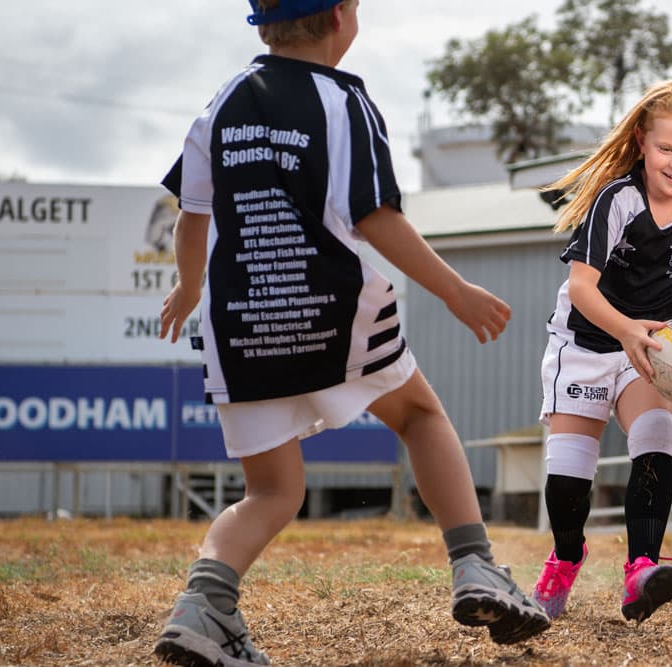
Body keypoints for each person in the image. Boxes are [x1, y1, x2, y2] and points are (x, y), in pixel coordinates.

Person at [152, 1, 550, 664]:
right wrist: (456, 290)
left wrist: (190, 289)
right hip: (329, 306)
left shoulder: (218, 105)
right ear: (340, 18)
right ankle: (474, 563)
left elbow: (192, 218)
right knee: (420, 415)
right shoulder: (345, 101)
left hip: (242, 328)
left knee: (273, 491)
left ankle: (204, 604)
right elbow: (375, 216)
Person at [530, 79, 672, 623]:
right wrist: (625, 330)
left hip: (653, 353)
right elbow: (581, 288)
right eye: (667, 149)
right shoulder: (615, 200)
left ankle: (641, 568)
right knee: (571, 471)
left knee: (656, 437)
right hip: (586, 341)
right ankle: (566, 558)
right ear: (643, 142)